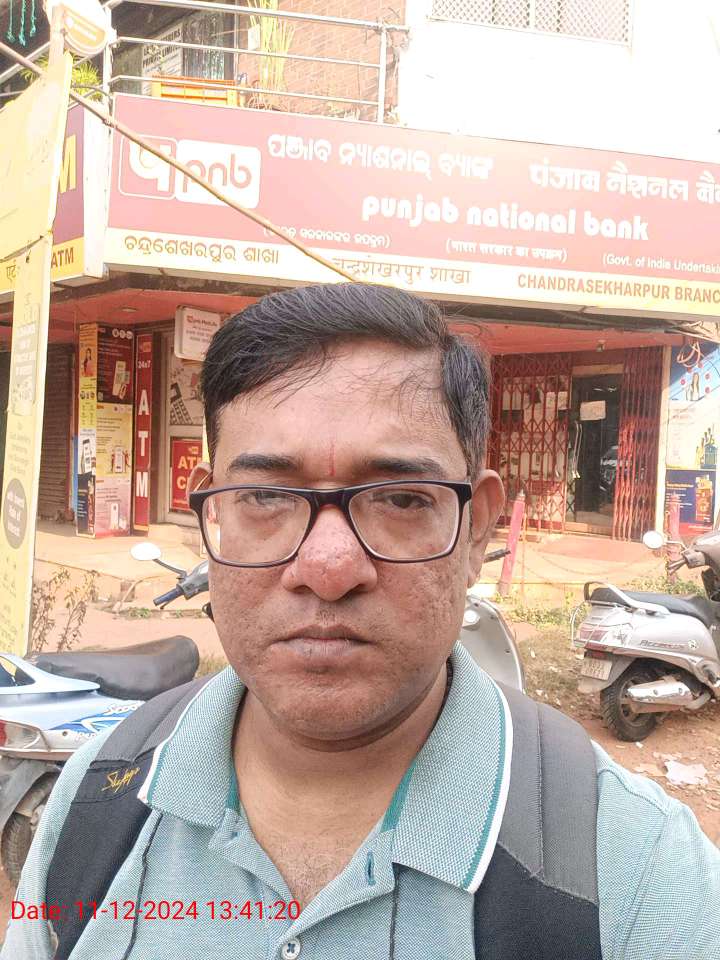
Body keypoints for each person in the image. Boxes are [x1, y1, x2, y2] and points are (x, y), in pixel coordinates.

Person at [4, 283, 719, 960]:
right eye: (264, 496)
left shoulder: (636, 876)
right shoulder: (97, 801)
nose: (327, 567)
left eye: (402, 499)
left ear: (477, 529)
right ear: (210, 518)